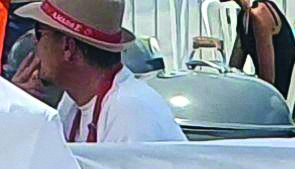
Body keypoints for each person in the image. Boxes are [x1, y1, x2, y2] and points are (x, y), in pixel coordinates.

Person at [14, 0, 186, 143]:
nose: (35, 43)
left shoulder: (130, 113)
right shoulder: (72, 103)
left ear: (68, 47)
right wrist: (20, 111)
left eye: (39, 32)